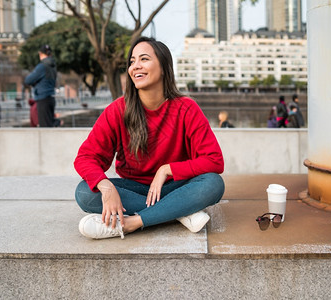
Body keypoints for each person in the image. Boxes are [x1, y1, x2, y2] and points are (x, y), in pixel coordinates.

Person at [74, 37, 225, 240]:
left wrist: (167, 169)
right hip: (135, 188)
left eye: (144, 59)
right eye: (132, 61)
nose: (136, 66)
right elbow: (85, 157)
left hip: (175, 186)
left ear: (163, 67)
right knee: (84, 192)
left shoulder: (186, 108)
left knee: (213, 184)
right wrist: (106, 186)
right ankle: (180, 212)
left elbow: (214, 160)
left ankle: (132, 223)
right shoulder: (118, 110)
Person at [24, 44, 57, 127]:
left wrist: (34, 83)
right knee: (49, 125)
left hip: (42, 99)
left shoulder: (42, 66)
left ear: (40, 54)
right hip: (51, 98)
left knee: (45, 127)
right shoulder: (53, 66)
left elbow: (28, 80)